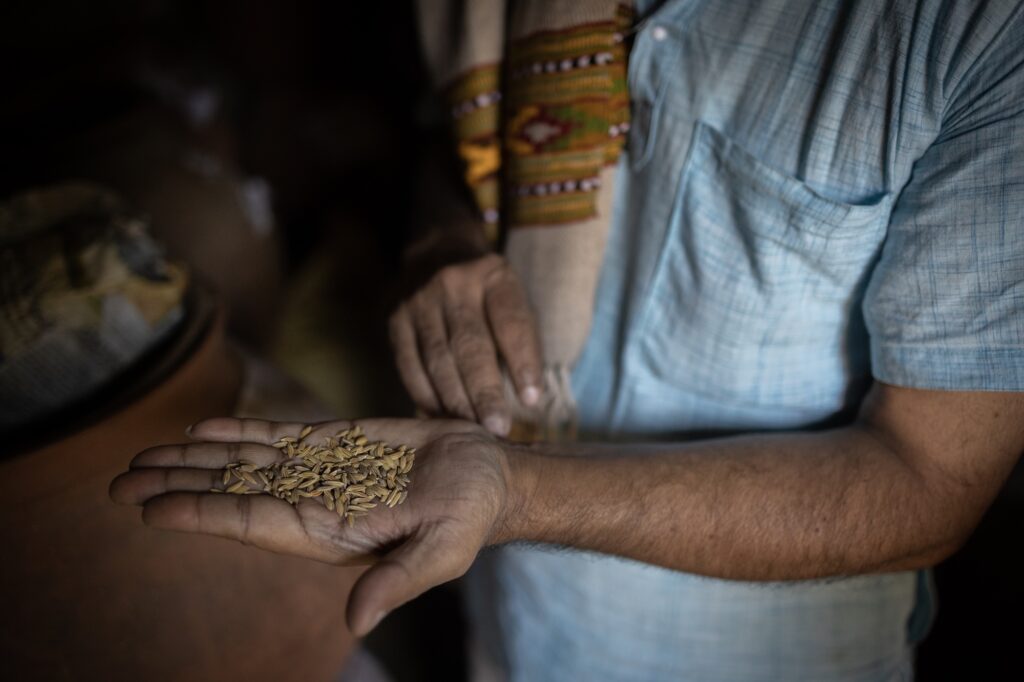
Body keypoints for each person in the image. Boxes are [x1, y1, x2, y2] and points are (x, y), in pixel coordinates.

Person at [111, 1, 1024, 679]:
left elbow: (929, 475)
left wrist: (513, 493)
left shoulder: (980, 33)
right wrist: (446, 243)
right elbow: (454, 136)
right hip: (508, 610)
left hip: (750, 652)